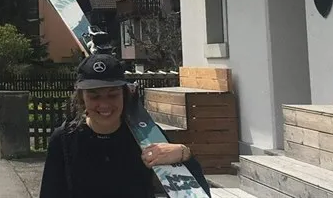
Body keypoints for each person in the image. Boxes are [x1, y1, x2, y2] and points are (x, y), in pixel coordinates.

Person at [38, 53, 211, 198]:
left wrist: (185, 154)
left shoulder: (146, 136)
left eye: (112, 95)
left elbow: (195, 194)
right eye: (94, 96)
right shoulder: (64, 139)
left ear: (125, 95)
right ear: (81, 98)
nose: (104, 104)